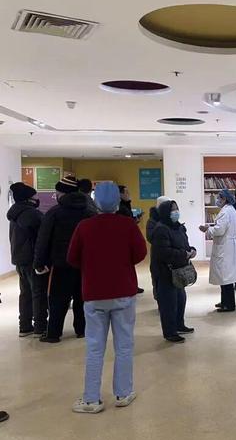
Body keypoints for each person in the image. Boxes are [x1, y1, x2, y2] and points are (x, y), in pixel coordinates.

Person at [68, 182, 147, 414]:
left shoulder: (84, 226)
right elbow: (140, 253)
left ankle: (91, 399)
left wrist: (92, 265)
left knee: (94, 347)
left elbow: (72, 258)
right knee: (124, 345)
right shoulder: (128, 225)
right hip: (123, 292)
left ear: (95, 201)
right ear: (118, 201)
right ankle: (123, 393)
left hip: (94, 294)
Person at [34, 176, 95, 343]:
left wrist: (39, 262)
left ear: (62, 193)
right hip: (84, 264)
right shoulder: (90, 212)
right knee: (82, 298)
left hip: (60, 264)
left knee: (57, 299)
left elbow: (43, 239)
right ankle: (82, 330)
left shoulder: (54, 212)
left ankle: (53, 333)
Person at [151, 200, 196, 343]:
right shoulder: (161, 229)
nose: (176, 212)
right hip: (165, 272)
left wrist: (191, 250)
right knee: (168, 303)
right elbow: (164, 253)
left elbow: (185, 244)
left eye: (177, 209)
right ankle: (170, 332)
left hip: (179, 271)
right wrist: (184, 254)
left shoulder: (179, 227)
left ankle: (179, 325)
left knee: (180, 300)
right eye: (173, 210)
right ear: (165, 212)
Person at [7, 182, 47, 337]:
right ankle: (40, 327)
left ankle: (24, 326)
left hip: (19, 259)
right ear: (27, 198)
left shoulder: (14, 214)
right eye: (34, 196)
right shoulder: (33, 215)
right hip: (32, 260)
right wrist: (42, 260)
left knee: (25, 293)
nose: (37, 199)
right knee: (38, 293)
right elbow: (41, 239)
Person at [199, 190, 236, 312]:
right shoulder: (230, 210)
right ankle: (225, 301)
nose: (217, 200)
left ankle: (229, 305)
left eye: (219, 198)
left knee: (226, 277)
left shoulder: (226, 212)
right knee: (225, 277)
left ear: (225, 199)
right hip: (228, 246)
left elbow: (219, 230)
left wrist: (207, 229)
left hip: (225, 247)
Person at [117, 186, 144, 293]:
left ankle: (133, 285)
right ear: (120, 194)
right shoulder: (121, 207)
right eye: (126, 192)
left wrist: (135, 220)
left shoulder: (125, 205)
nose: (128, 194)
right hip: (123, 241)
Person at [147, 196, 171, 300]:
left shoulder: (171, 219)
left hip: (172, 256)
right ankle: (160, 300)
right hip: (158, 257)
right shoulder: (152, 221)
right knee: (158, 279)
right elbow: (150, 237)